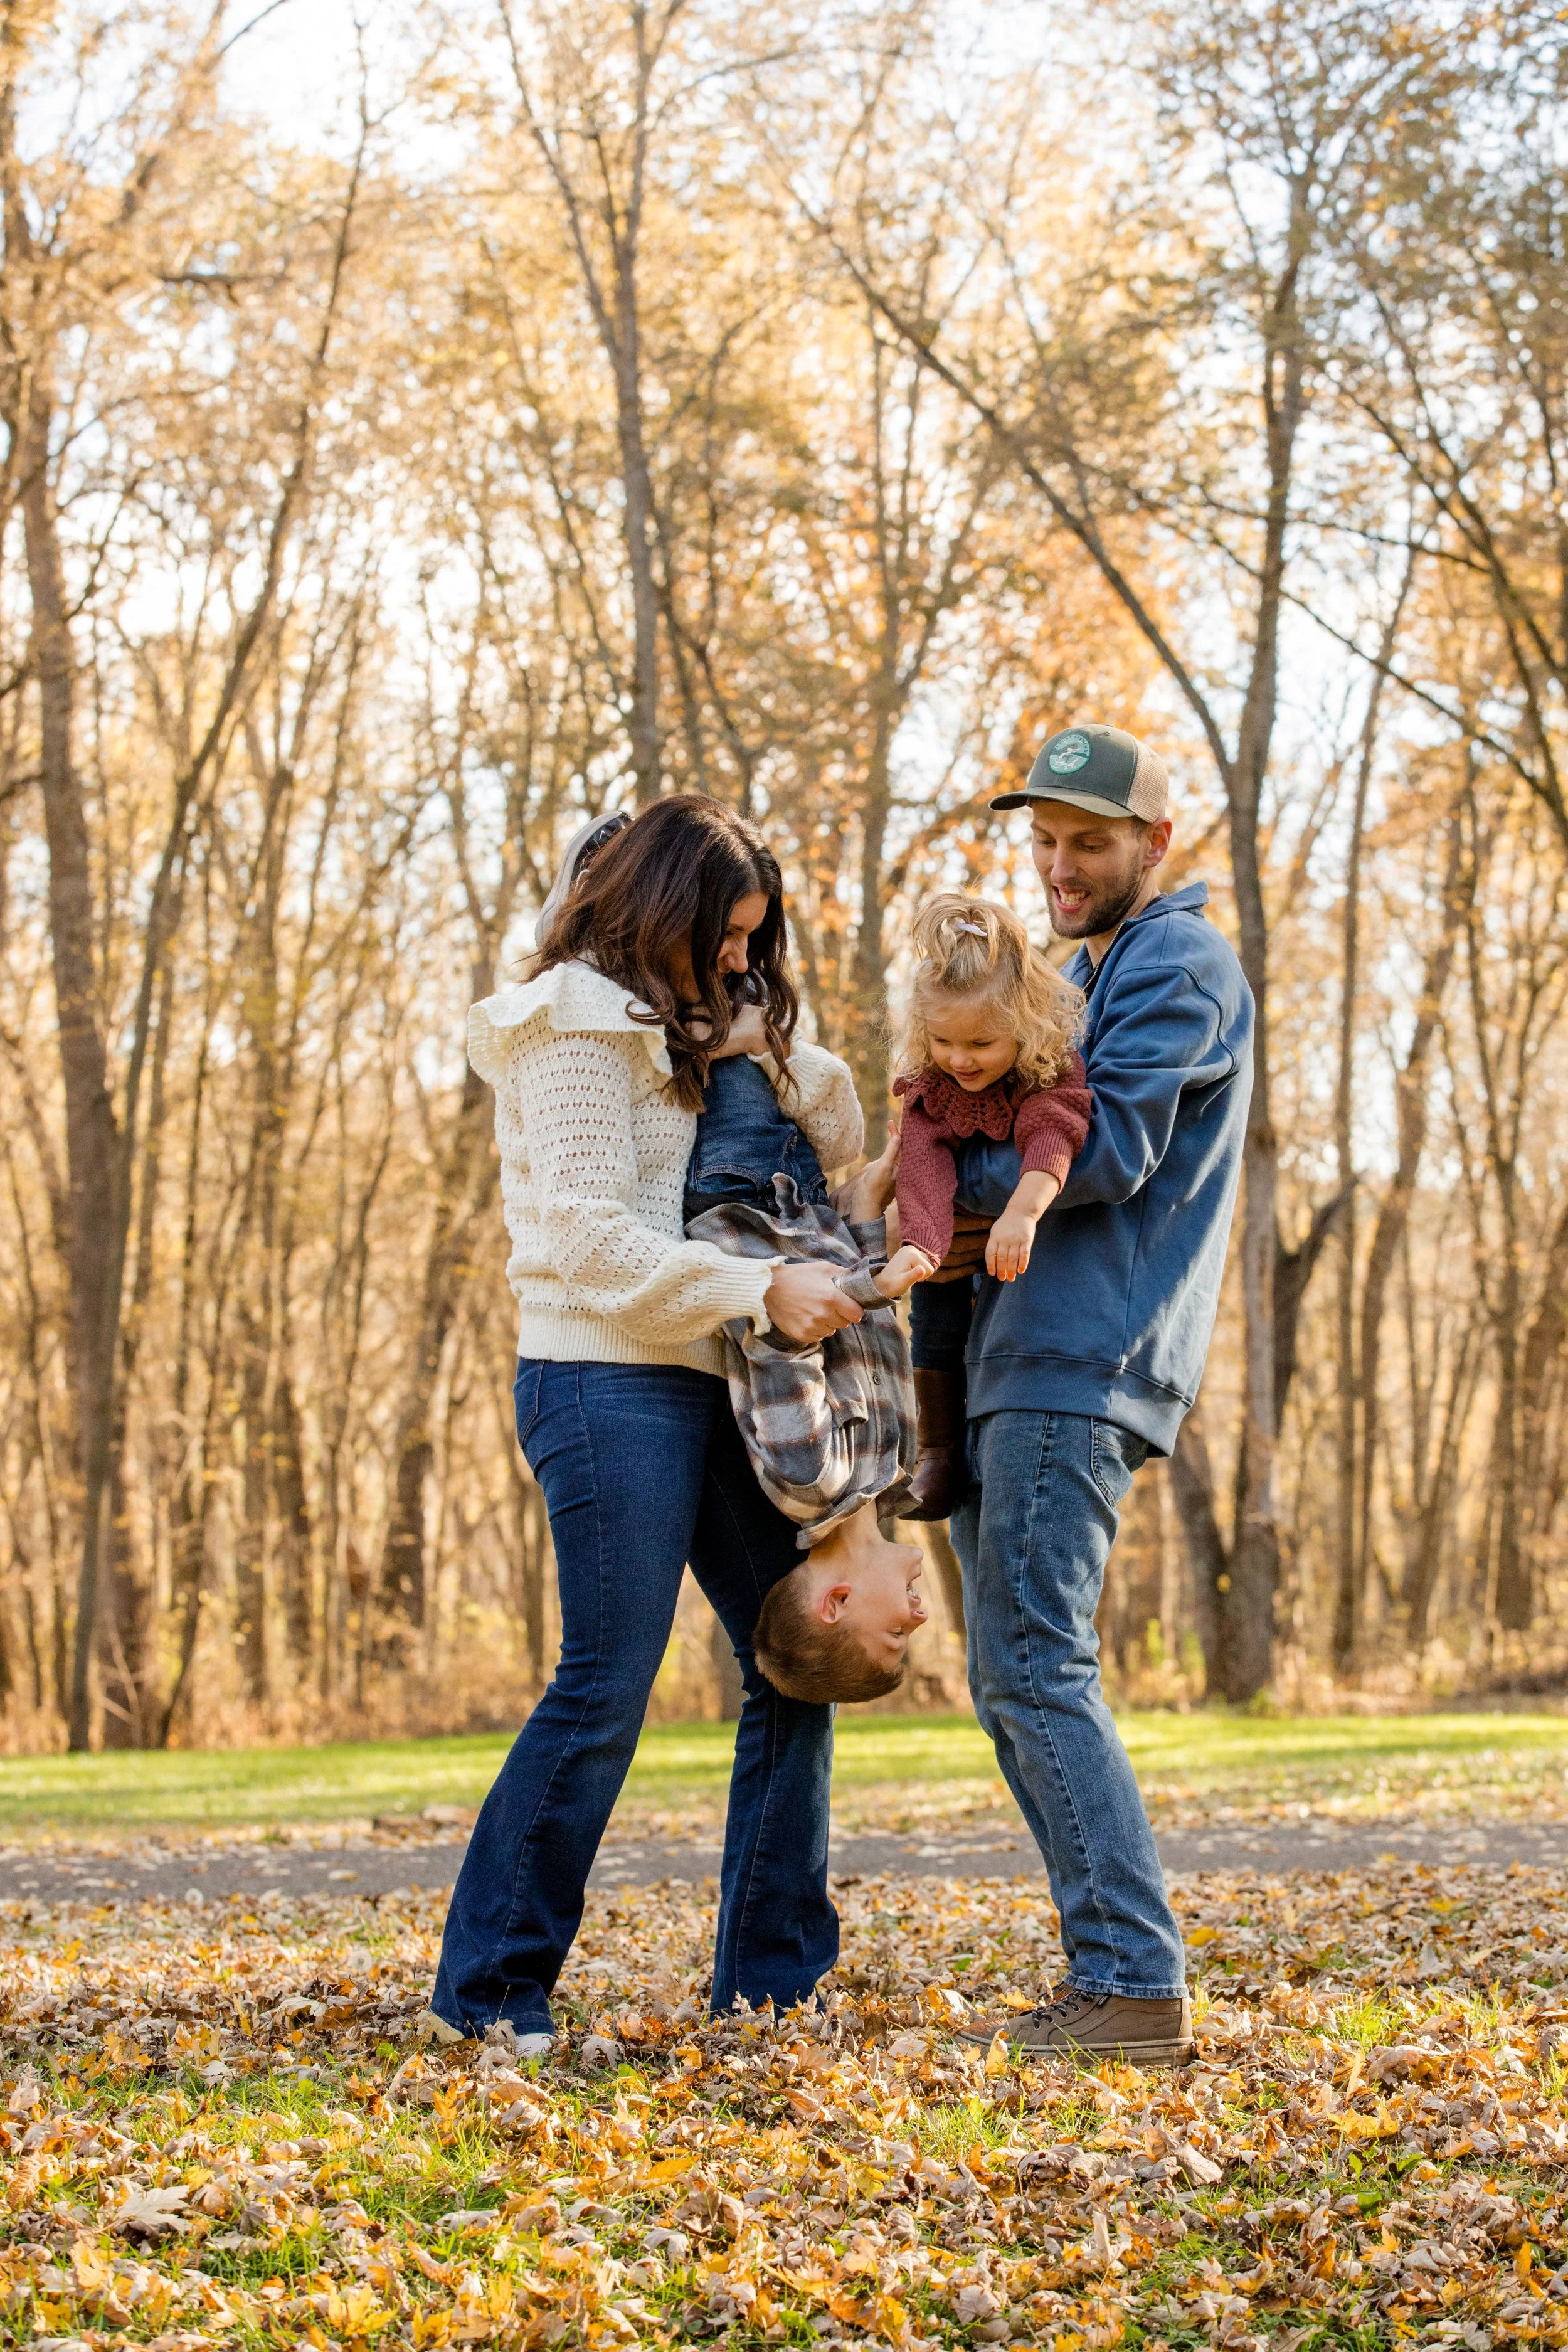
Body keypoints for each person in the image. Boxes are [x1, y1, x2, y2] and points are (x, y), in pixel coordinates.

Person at [421, 795, 870, 2052]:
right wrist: (752, 1288)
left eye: (753, 938)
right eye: (724, 934)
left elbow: (832, 1136)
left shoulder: (698, 1024)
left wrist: (759, 1039)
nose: (740, 955)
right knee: (604, 1683)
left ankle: (770, 1985)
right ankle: (490, 1994)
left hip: (714, 1377)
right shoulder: (570, 1018)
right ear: (659, 907)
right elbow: (574, 1227)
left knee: (797, 1654)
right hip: (599, 1375)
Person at [941, 722, 1253, 2069]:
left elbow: (1108, 1148)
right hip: (1024, 1353)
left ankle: (1132, 1978)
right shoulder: (1087, 968)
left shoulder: (1176, 960)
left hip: (1083, 1357)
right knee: (1008, 1675)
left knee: (1034, 1664)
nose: (1059, 864)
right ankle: (1106, 1971)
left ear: (1152, 845)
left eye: (1088, 842)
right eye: (1045, 840)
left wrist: (901, 1205)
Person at [891, 894, 1094, 1518]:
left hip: (1031, 1252)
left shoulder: (1045, 1073)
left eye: (980, 1042)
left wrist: (1023, 1211)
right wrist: (923, 1244)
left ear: (1024, 1025)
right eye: (944, 1041)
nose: (960, 1059)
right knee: (933, 1309)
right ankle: (936, 1454)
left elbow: (1052, 1136)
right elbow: (921, 1156)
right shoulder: (935, 1084)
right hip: (952, 1236)